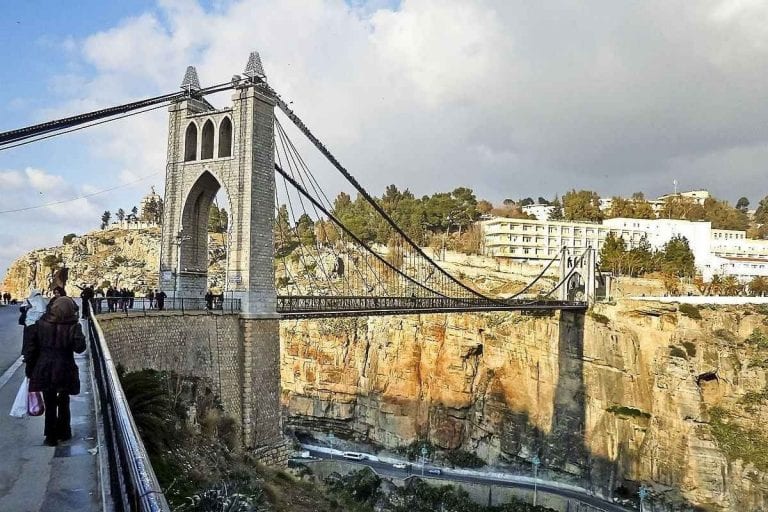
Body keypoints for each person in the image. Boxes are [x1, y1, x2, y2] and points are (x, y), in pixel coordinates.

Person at [23, 295, 86, 446]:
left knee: (49, 401)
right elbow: (80, 348)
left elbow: (31, 349)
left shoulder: (40, 324)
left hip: (45, 367)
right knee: (64, 400)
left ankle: (50, 436)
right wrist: (77, 331)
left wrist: (30, 370)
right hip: (65, 368)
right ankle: (64, 431)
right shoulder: (73, 326)